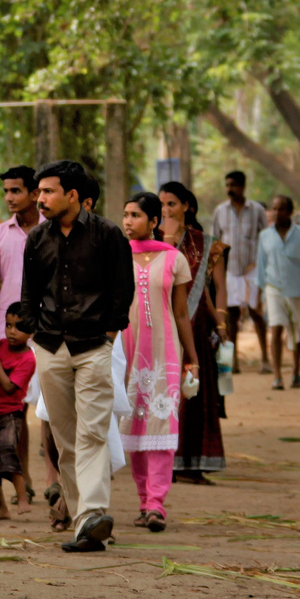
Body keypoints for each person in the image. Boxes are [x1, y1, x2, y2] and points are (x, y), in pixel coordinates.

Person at [20, 160, 133, 553]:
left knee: (92, 432)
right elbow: (29, 293)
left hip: (93, 348)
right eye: (39, 192)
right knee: (65, 439)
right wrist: (34, 332)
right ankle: (83, 520)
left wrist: (109, 334)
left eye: (48, 191)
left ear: (73, 195)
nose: (41, 199)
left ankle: (91, 514)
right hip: (50, 347)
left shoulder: (107, 235)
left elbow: (123, 292)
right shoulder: (37, 239)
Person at [119, 192, 198, 532]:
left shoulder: (174, 259)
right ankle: (142, 500)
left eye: (135, 215)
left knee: (161, 425)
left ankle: (156, 504)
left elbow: (180, 313)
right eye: (125, 214)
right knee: (134, 426)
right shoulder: (116, 256)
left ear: (154, 221)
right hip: (125, 350)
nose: (127, 221)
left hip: (164, 351)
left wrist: (191, 358)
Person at [0, 165, 45, 506]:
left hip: (47, 331)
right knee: (15, 410)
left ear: (35, 193)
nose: (9, 198)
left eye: (16, 191)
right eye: (6, 191)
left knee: (50, 410)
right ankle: (25, 477)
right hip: (11, 334)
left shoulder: (53, 230)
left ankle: (53, 476)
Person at [160, 181, 227, 483]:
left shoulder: (206, 243)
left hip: (195, 326)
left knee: (194, 392)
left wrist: (220, 323)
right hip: (161, 327)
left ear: (187, 206)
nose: (166, 210)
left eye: (172, 204)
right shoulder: (152, 240)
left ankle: (192, 464)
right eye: (161, 205)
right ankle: (164, 462)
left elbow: (206, 292)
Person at [0, 305, 36, 519]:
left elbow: (9, 387)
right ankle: (1, 506)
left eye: (19, 327)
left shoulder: (28, 359)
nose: (12, 331)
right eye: (9, 325)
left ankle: (22, 497)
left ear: (31, 332)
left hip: (10, 415)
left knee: (8, 452)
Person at [211, 171, 270, 373]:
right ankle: (231, 362)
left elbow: (266, 239)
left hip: (252, 270)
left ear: (243, 186)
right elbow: (216, 243)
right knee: (230, 318)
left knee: (256, 314)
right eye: (227, 185)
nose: (230, 189)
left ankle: (265, 360)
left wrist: (263, 267)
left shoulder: (257, 210)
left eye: (234, 185)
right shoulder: (220, 211)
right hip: (229, 271)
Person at [257, 194, 300, 390]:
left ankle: (296, 372)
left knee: (296, 332)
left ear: (290, 212)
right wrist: (260, 293)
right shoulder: (265, 236)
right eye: (274, 208)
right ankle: (277, 376)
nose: (277, 212)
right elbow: (261, 266)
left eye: (281, 208)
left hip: (297, 290)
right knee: (275, 329)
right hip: (273, 289)